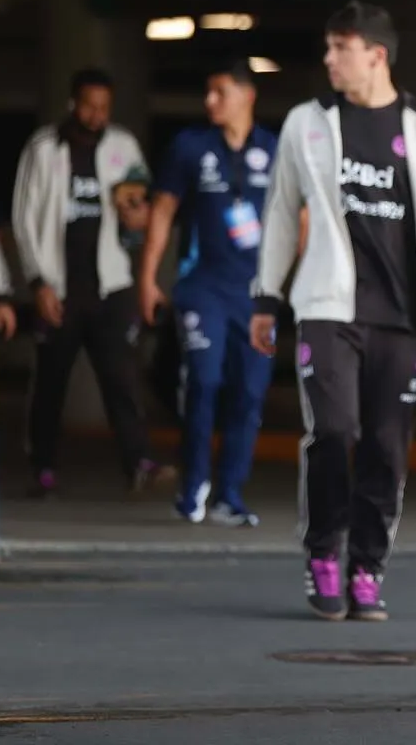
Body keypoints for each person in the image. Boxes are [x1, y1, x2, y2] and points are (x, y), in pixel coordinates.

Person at [249, 1, 416, 623]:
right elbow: (279, 214)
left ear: (375, 54)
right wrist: (267, 296)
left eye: (338, 47)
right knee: (334, 431)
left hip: (402, 317)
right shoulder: (307, 123)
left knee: (387, 449)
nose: (327, 59)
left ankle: (367, 567)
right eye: (327, 47)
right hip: (328, 306)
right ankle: (324, 553)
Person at [12, 67, 176, 498]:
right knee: (51, 382)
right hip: (59, 286)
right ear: (73, 104)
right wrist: (38, 282)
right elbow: (24, 218)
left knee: (122, 377)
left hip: (112, 284)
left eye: (103, 107)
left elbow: (141, 209)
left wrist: (136, 215)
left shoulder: (122, 146)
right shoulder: (44, 148)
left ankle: (138, 460)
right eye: (88, 106)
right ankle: (42, 466)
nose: (96, 115)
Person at [139, 58, 285, 527]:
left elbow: (298, 220)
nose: (210, 101)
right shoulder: (189, 146)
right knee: (204, 381)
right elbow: (162, 212)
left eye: (220, 92)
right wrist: (147, 278)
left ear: (247, 95)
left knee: (250, 391)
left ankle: (229, 495)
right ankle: (194, 484)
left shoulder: (275, 147)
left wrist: (287, 281)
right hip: (202, 288)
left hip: (257, 295)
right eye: (208, 92)